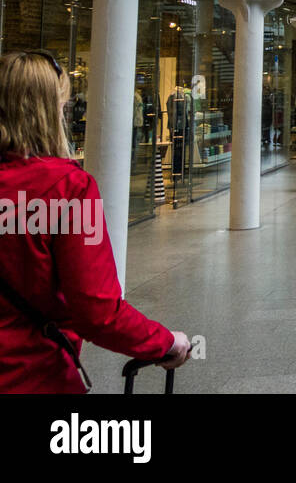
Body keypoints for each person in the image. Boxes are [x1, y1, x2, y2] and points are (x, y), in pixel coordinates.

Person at [0, 50, 191, 391]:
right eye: (63, 104)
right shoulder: (68, 188)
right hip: (31, 376)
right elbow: (98, 311)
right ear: (48, 110)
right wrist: (164, 342)